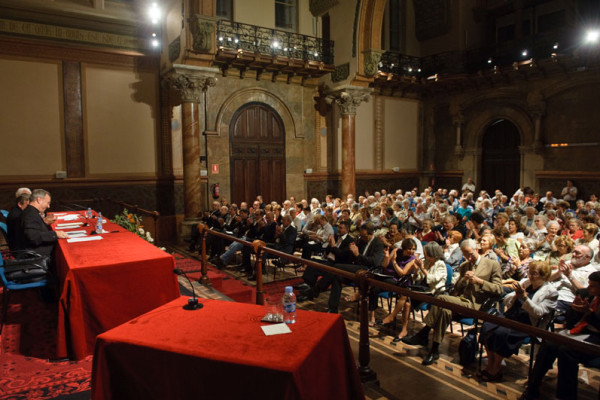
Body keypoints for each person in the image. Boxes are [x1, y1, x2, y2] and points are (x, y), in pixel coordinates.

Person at [402, 239, 503, 365]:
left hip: (476, 304)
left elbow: (499, 289)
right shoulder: (464, 266)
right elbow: (456, 288)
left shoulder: (492, 265)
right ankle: (434, 350)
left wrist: (479, 281)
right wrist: (464, 280)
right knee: (445, 310)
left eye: (470, 254)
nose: (468, 258)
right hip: (460, 300)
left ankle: (424, 333)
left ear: (477, 250)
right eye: (465, 255)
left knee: (440, 299)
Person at [520, 271, 600, 400]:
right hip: (580, 331)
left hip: (596, 338)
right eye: (589, 284)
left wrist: (589, 314)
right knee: (549, 343)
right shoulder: (586, 294)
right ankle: (532, 387)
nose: (588, 287)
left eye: (593, 286)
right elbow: (569, 321)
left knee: (566, 351)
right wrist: (574, 310)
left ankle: (566, 396)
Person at [477, 261, 557, 382]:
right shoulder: (526, 282)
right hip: (511, 316)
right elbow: (506, 300)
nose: (530, 275)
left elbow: (538, 313)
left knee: (500, 333)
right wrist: (516, 296)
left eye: (534, 273)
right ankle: (491, 364)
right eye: (529, 272)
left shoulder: (551, 292)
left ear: (544, 276)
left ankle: (496, 368)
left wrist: (524, 298)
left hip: (527, 323)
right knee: (487, 326)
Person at [381, 242, 447, 341]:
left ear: (432, 253)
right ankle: (404, 330)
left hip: (433, 292)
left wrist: (422, 268)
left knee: (405, 293)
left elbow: (433, 279)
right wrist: (416, 271)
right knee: (407, 304)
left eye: (426, 253)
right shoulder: (427, 262)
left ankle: (392, 316)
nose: (424, 255)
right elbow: (418, 278)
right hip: (422, 288)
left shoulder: (440, 264)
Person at [17, 189, 69, 258]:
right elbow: (33, 237)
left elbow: (35, 229)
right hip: (37, 256)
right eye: (47, 203)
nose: (48, 206)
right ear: (39, 200)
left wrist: (44, 223)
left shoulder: (31, 211)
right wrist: (55, 234)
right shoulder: (30, 214)